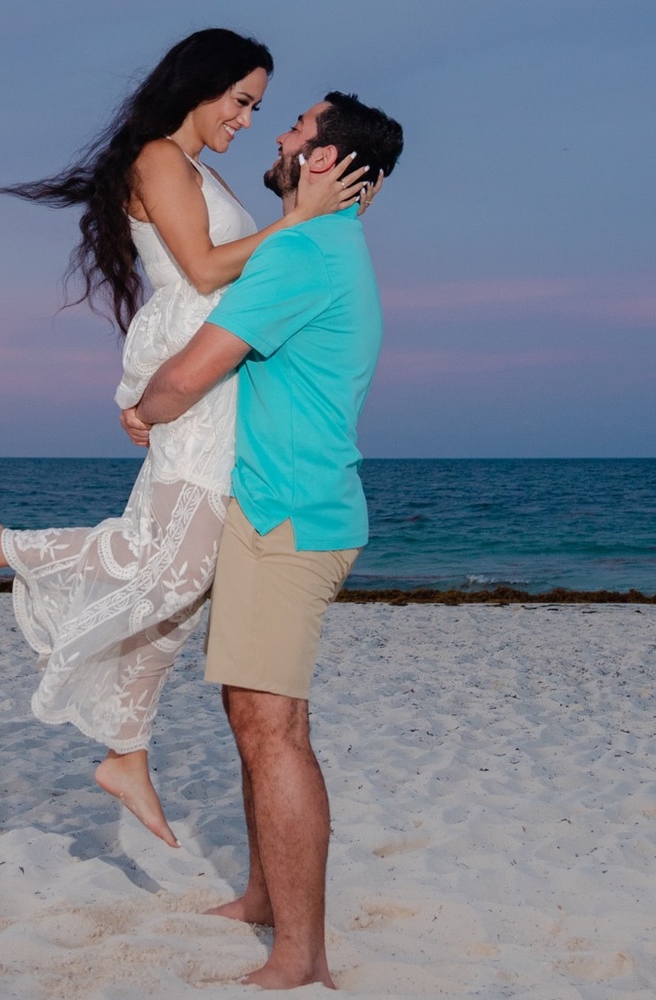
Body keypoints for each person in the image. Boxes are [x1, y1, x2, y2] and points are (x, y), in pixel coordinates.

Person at [0, 29, 367, 849]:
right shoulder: (158, 156)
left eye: (258, 107)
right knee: (174, 562)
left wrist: (310, 220)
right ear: (201, 84)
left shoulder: (205, 171)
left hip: (217, 369)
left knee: (179, 582)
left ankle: (127, 752)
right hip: (198, 363)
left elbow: (239, 273)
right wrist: (298, 218)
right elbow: (205, 268)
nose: (248, 119)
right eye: (241, 100)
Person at [127, 91, 403, 989]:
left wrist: (144, 407)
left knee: (272, 728)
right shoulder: (328, 244)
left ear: (322, 161)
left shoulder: (301, 252)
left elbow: (199, 367)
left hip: (289, 518)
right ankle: (262, 898)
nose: (279, 135)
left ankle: (301, 955)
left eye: (296, 129)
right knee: (256, 717)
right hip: (285, 507)